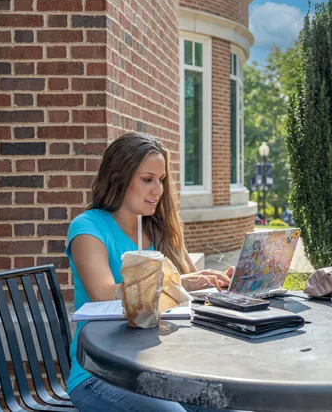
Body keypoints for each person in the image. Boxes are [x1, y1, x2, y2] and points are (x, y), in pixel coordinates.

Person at [65, 132, 235, 412]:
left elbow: (187, 292)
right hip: (100, 374)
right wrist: (175, 282)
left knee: (229, 405)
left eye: (162, 180)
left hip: (163, 369)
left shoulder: (158, 229)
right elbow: (103, 293)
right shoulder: (88, 227)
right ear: (119, 177)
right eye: (147, 179)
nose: (158, 189)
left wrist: (210, 284)